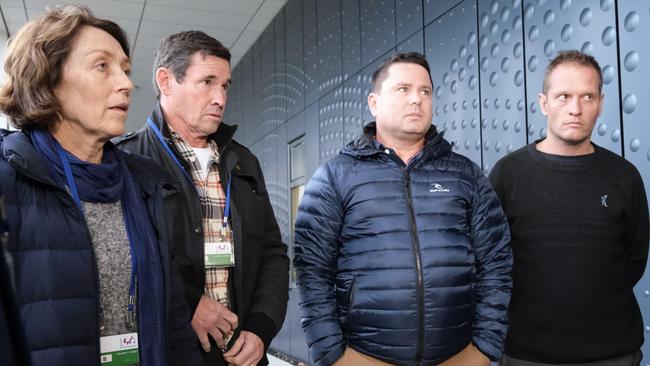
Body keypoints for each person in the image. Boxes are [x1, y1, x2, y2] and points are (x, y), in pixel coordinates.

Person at [0, 5, 200, 366]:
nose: (125, 83)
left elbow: (173, 319)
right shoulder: (8, 178)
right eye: (102, 66)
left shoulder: (144, 185)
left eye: (124, 69)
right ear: (47, 78)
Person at [294, 52, 513, 366]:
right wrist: (333, 356)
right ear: (374, 102)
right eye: (403, 89)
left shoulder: (466, 174)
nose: (417, 100)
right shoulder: (334, 177)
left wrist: (483, 348)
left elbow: (497, 262)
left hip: (457, 357)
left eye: (425, 91)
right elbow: (312, 273)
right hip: (364, 358)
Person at [115, 31, 289, 366]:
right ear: (166, 81)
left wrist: (261, 328)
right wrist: (187, 304)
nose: (220, 98)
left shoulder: (243, 162)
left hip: (241, 352)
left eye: (225, 85)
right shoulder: (128, 162)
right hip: (171, 351)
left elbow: (272, 252)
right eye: (207, 82)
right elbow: (121, 260)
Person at [489, 50, 649, 366]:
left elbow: (634, 258)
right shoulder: (508, 174)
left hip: (614, 353)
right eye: (563, 96)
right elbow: (490, 261)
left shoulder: (624, 176)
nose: (575, 109)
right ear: (543, 102)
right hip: (526, 354)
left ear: (601, 103)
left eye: (587, 97)